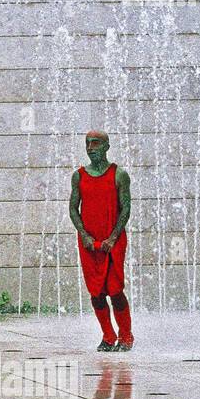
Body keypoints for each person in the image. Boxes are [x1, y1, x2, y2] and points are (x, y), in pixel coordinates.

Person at [69, 130, 133, 351]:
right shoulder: (79, 176)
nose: (90, 148)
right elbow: (73, 209)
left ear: (107, 146)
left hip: (113, 241)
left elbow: (126, 208)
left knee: (115, 290)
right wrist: (84, 235)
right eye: (87, 144)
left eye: (95, 143)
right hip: (89, 243)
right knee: (96, 292)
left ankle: (126, 336)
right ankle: (108, 336)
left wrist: (113, 237)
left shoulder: (119, 174)